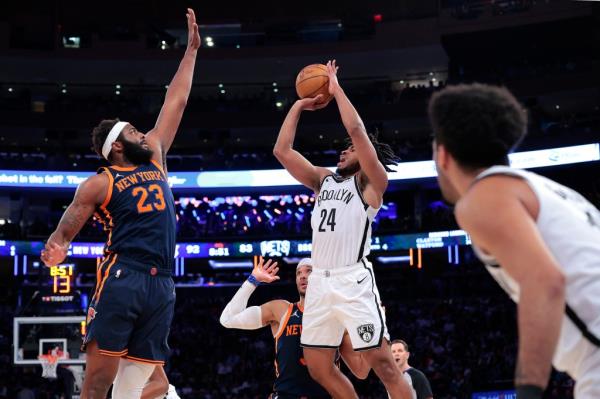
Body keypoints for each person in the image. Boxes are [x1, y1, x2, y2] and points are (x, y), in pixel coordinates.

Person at [40, 8, 201, 398]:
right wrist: (57, 246)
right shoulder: (100, 183)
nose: (142, 134)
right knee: (97, 381)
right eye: (132, 131)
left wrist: (192, 51)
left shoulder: (156, 154)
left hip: (162, 281)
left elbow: (175, 102)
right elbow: (66, 229)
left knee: (137, 387)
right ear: (116, 146)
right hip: (123, 276)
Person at [428, 83, 600, 398]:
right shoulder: (541, 187)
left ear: (443, 154)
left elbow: (544, 280)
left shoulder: (482, 197)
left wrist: (529, 391)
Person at [273, 60, 411, 399]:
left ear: (367, 158)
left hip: (353, 280)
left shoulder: (372, 185)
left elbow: (359, 134)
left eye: (349, 150)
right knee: (319, 367)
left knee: (383, 364)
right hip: (320, 280)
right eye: (343, 149)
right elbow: (282, 151)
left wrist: (335, 89)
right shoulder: (323, 181)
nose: (343, 150)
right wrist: (299, 105)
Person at [220, 257, 369, 398]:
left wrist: (372, 327)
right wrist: (253, 280)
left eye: (309, 271)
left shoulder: (337, 317)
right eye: (299, 273)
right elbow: (228, 319)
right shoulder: (281, 310)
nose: (302, 276)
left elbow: (361, 370)